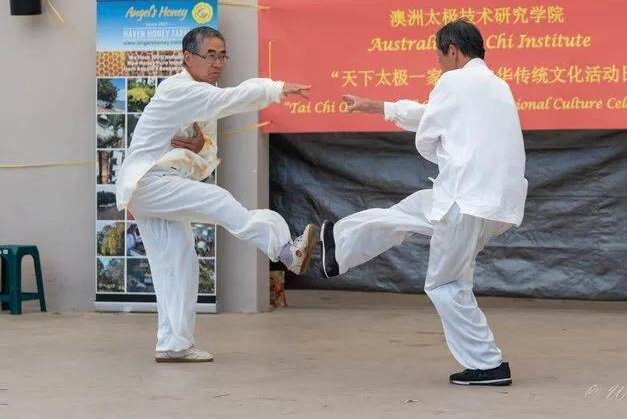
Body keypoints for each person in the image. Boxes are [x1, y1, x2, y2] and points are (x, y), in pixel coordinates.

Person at [318, 20, 527, 386]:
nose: (439, 66)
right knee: (410, 210)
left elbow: (429, 130)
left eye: (439, 57)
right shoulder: (495, 85)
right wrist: (377, 105)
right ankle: (337, 246)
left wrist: (435, 145)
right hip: (491, 202)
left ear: (453, 51)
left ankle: (488, 364)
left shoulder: (455, 81)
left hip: (465, 199)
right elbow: (434, 116)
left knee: (446, 284)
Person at [116, 26, 318, 363]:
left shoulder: (198, 95)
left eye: (222, 55)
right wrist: (277, 88)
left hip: (152, 188)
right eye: (210, 55)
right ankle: (284, 248)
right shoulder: (180, 90)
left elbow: (205, 152)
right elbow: (229, 100)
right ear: (188, 57)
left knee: (179, 264)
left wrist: (197, 147)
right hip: (149, 183)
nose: (217, 62)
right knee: (219, 201)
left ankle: (174, 343)